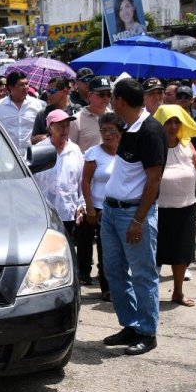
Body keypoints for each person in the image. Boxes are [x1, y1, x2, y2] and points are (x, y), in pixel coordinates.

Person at [100, 78, 167, 356]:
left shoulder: (151, 130)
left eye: (112, 96)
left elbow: (154, 181)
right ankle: (130, 324)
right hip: (112, 211)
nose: (109, 101)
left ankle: (147, 332)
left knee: (142, 274)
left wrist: (139, 220)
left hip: (132, 213)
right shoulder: (127, 127)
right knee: (114, 271)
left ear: (121, 101)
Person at [152, 104, 196, 307]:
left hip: (185, 208)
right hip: (158, 208)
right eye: (169, 122)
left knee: (181, 254)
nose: (173, 126)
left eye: (177, 121)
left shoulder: (187, 144)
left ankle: (177, 292)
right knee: (154, 254)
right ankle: (150, 295)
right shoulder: (154, 146)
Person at [80, 113, 122, 300]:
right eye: (103, 130)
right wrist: (89, 208)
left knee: (120, 249)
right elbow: (86, 182)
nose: (107, 134)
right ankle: (107, 287)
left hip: (121, 207)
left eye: (111, 130)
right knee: (105, 249)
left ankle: (121, 284)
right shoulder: (93, 153)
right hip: (98, 208)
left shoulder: (126, 153)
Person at [33, 110, 84, 238]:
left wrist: (81, 204)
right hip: (44, 213)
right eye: (60, 125)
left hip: (68, 212)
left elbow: (81, 180)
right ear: (49, 128)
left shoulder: (75, 150)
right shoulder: (38, 150)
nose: (64, 129)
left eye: (67, 125)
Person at [0, 70, 45, 154]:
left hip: (33, 155)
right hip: (7, 155)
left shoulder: (38, 105)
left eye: (26, 84)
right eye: (21, 85)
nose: (26, 87)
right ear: (10, 87)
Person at [30, 76, 75, 145]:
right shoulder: (43, 113)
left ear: (65, 91)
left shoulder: (76, 111)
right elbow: (33, 140)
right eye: (47, 91)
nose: (48, 94)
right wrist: (48, 137)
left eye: (52, 91)